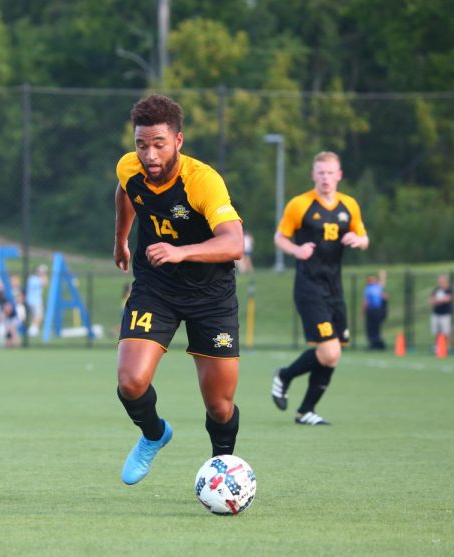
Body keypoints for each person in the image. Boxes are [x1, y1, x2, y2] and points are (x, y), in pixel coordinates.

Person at [112, 94, 245, 485]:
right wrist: (121, 239)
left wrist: (180, 251)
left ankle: (222, 469)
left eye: (159, 144)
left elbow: (234, 243)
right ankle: (154, 434)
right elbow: (125, 192)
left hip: (212, 295)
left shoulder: (203, 181)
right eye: (141, 144)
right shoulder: (129, 167)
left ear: (178, 142)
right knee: (130, 382)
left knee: (220, 407)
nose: (149, 154)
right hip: (157, 285)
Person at [271, 151, 369, 426]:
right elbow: (280, 237)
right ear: (314, 175)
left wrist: (357, 240)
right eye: (321, 173)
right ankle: (285, 376)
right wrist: (296, 249)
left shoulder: (349, 205)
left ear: (339, 175)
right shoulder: (300, 205)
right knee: (330, 351)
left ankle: (305, 411)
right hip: (309, 286)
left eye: (330, 173)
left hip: (334, 288)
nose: (326, 178)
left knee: (332, 356)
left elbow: (364, 237)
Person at [363, 270, 388, 350]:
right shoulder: (368, 289)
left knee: (375, 327)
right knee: (371, 328)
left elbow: (382, 283)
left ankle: (376, 342)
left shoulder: (376, 287)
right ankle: (373, 343)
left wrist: (383, 275)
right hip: (371, 310)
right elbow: (366, 302)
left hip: (376, 310)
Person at [429, 274, 454, 350]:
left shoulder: (449, 289)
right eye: (440, 280)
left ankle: (448, 346)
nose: (441, 282)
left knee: (447, 331)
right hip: (436, 313)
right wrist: (439, 300)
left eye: (442, 280)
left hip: (445, 314)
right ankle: (437, 346)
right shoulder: (436, 290)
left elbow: (448, 299)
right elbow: (431, 300)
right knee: (436, 331)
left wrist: (437, 301)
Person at [25, 264, 48, 337]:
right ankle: (32, 330)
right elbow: (46, 283)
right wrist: (43, 274)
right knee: (38, 316)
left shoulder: (30, 278)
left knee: (36, 316)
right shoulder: (36, 279)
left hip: (30, 300)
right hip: (36, 300)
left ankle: (34, 330)